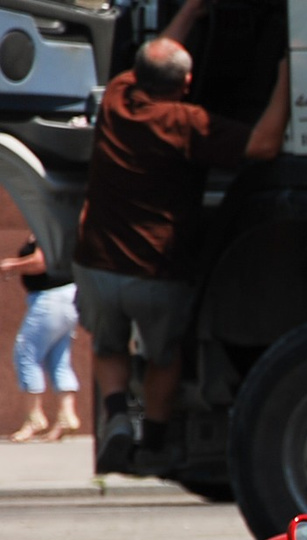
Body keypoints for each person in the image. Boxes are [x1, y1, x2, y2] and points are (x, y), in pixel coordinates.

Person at [73, 0, 290, 475]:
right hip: (157, 270)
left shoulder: (116, 95)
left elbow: (153, 57)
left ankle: (115, 418)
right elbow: (264, 143)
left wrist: (190, 10)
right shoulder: (187, 123)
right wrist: (287, 76)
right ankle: (153, 440)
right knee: (163, 355)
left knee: (107, 346)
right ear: (186, 84)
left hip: (96, 262)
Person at [3, 235, 80, 442]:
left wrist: (13, 265)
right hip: (67, 297)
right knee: (59, 357)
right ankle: (66, 415)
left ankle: (34, 417)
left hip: (50, 298)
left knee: (26, 352)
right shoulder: (57, 228)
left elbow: (40, 262)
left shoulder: (46, 228)